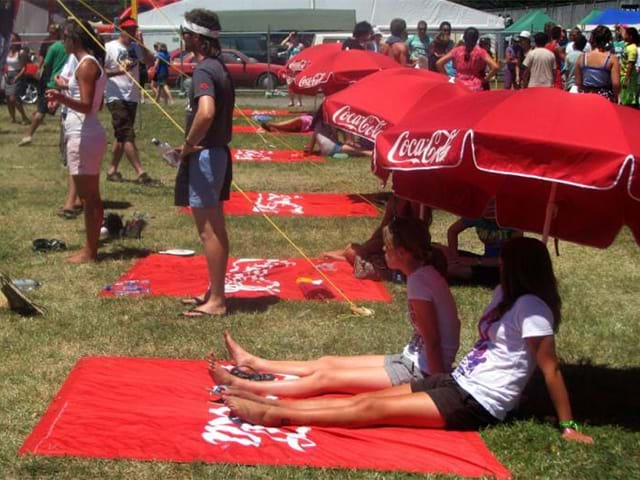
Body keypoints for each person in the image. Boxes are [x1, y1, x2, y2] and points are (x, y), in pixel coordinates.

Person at [220, 238, 594, 447]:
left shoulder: (532, 307)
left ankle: (276, 414)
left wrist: (568, 425)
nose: (495, 263)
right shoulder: (506, 294)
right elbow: (509, 355)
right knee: (365, 400)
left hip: (476, 402)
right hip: (458, 382)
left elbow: (550, 368)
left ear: (518, 268)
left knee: (370, 409)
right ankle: (272, 399)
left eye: (503, 259)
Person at [209, 217, 460, 398]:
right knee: (327, 363)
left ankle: (246, 387)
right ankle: (256, 362)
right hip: (413, 361)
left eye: (388, 246)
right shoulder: (422, 276)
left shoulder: (419, 281)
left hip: (422, 371)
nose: (383, 250)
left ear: (403, 252)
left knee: (326, 378)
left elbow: (434, 340)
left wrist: (436, 387)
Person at [175, 8, 235, 317]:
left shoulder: (203, 71)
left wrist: (187, 146)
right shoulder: (219, 67)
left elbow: (207, 112)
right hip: (218, 153)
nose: (182, 38)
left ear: (197, 38)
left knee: (209, 231)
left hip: (207, 154)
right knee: (217, 229)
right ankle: (214, 291)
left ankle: (217, 301)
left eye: (184, 33)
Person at [45, 20, 107, 264]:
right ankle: (90, 248)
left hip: (84, 134)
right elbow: (97, 104)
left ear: (74, 39)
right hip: (87, 132)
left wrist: (61, 97)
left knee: (88, 198)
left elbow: (88, 105)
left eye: (64, 38)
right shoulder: (90, 64)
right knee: (91, 196)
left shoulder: (85, 66)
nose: (62, 42)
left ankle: (90, 252)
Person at [323, 195, 431, 281]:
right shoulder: (395, 199)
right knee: (354, 249)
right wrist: (369, 245)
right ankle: (348, 257)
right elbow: (383, 228)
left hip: (404, 250)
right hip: (393, 244)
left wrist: (367, 249)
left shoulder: (416, 201)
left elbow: (418, 237)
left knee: (352, 251)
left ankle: (348, 257)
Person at [103, 17, 155, 184]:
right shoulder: (109, 47)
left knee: (121, 136)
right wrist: (119, 71)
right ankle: (141, 173)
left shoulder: (136, 48)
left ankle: (112, 170)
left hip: (132, 96)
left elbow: (150, 61)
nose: (132, 33)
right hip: (115, 96)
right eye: (129, 30)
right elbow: (101, 71)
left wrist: (141, 44)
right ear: (121, 31)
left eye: (134, 30)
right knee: (127, 134)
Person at [441, 201, 522, 287]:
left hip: (505, 268)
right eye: (488, 202)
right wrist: (455, 258)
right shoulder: (477, 215)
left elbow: (512, 259)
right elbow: (452, 231)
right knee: (440, 251)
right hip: (484, 261)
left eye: (494, 203)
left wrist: (476, 261)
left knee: (454, 269)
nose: (491, 208)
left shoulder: (512, 220)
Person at [18, 25, 67, 146]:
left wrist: (40, 71)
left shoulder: (54, 47)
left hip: (53, 83)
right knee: (65, 113)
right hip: (67, 83)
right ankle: (65, 140)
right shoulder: (76, 48)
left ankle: (28, 136)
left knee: (41, 111)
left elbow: (46, 64)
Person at [436, 27, 498, 92]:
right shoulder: (480, 52)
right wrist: (485, 80)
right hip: (475, 86)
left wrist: (449, 79)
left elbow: (439, 63)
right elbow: (495, 67)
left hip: (459, 86)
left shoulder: (457, 51)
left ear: (464, 38)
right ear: (476, 39)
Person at [575, 25, 620, 103]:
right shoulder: (612, 59)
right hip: (604, 99)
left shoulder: (582, 57)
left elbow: (578, 83)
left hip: (586, 97)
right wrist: (616, 97)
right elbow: (616, 84)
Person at [304, 108, 371, 158]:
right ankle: (373, 154)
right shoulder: (329, 120)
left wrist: (310, 151)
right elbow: (335, 136)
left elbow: (314, 138)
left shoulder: (317, 124)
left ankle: (339, 153)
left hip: (324, 151)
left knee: (353, 151)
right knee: (360, 151)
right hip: (333, 147)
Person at [3, 33, 30, 124]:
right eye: (10, 40)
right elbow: (5, 64)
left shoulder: (21, 52)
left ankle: (24, 117)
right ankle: (13, 118)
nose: (11, 42)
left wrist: (17, 77)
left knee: (13, 99)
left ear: (17, 41)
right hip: (8, 75)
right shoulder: (7, 51)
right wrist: (5, 73)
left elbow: (24, 68)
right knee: (8, 99)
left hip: (17, 74)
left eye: (13, 40)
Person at [280, 31, 304, 107]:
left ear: (297, 37)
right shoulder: (289, 45)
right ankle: (291, 101)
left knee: (298, 85)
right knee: (290, 85)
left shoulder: (300, 46)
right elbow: (282, 44)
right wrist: (288, 37)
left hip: (298, 67)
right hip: (290, 67)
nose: (293, 38)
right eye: (292, 36)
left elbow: (304, 55)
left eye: (294, 36)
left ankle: (299, 102)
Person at [620, 27, 639, 107]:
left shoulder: (632, 49)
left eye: (626, 35)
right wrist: (620, 28)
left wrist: (627, 79)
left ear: (631, 37)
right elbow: (622, 33)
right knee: (623, 97)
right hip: (623, 75)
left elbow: (631, 65)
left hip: (628, 77)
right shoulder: (627, 45)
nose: (624, 36)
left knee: (628, 99)